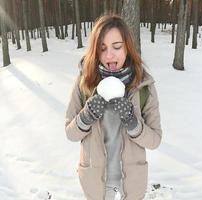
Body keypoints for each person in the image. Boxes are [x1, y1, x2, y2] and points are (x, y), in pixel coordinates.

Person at [65, 14, 162, 200]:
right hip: (95, 184)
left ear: (127, 47)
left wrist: (133, 123)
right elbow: (70, 133)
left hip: (132, 184)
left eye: (116, 47)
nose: (109, 55)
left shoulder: (143, 86)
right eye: (102, 49)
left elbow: (155, 140)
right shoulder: (84, 82)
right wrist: (86, 116)